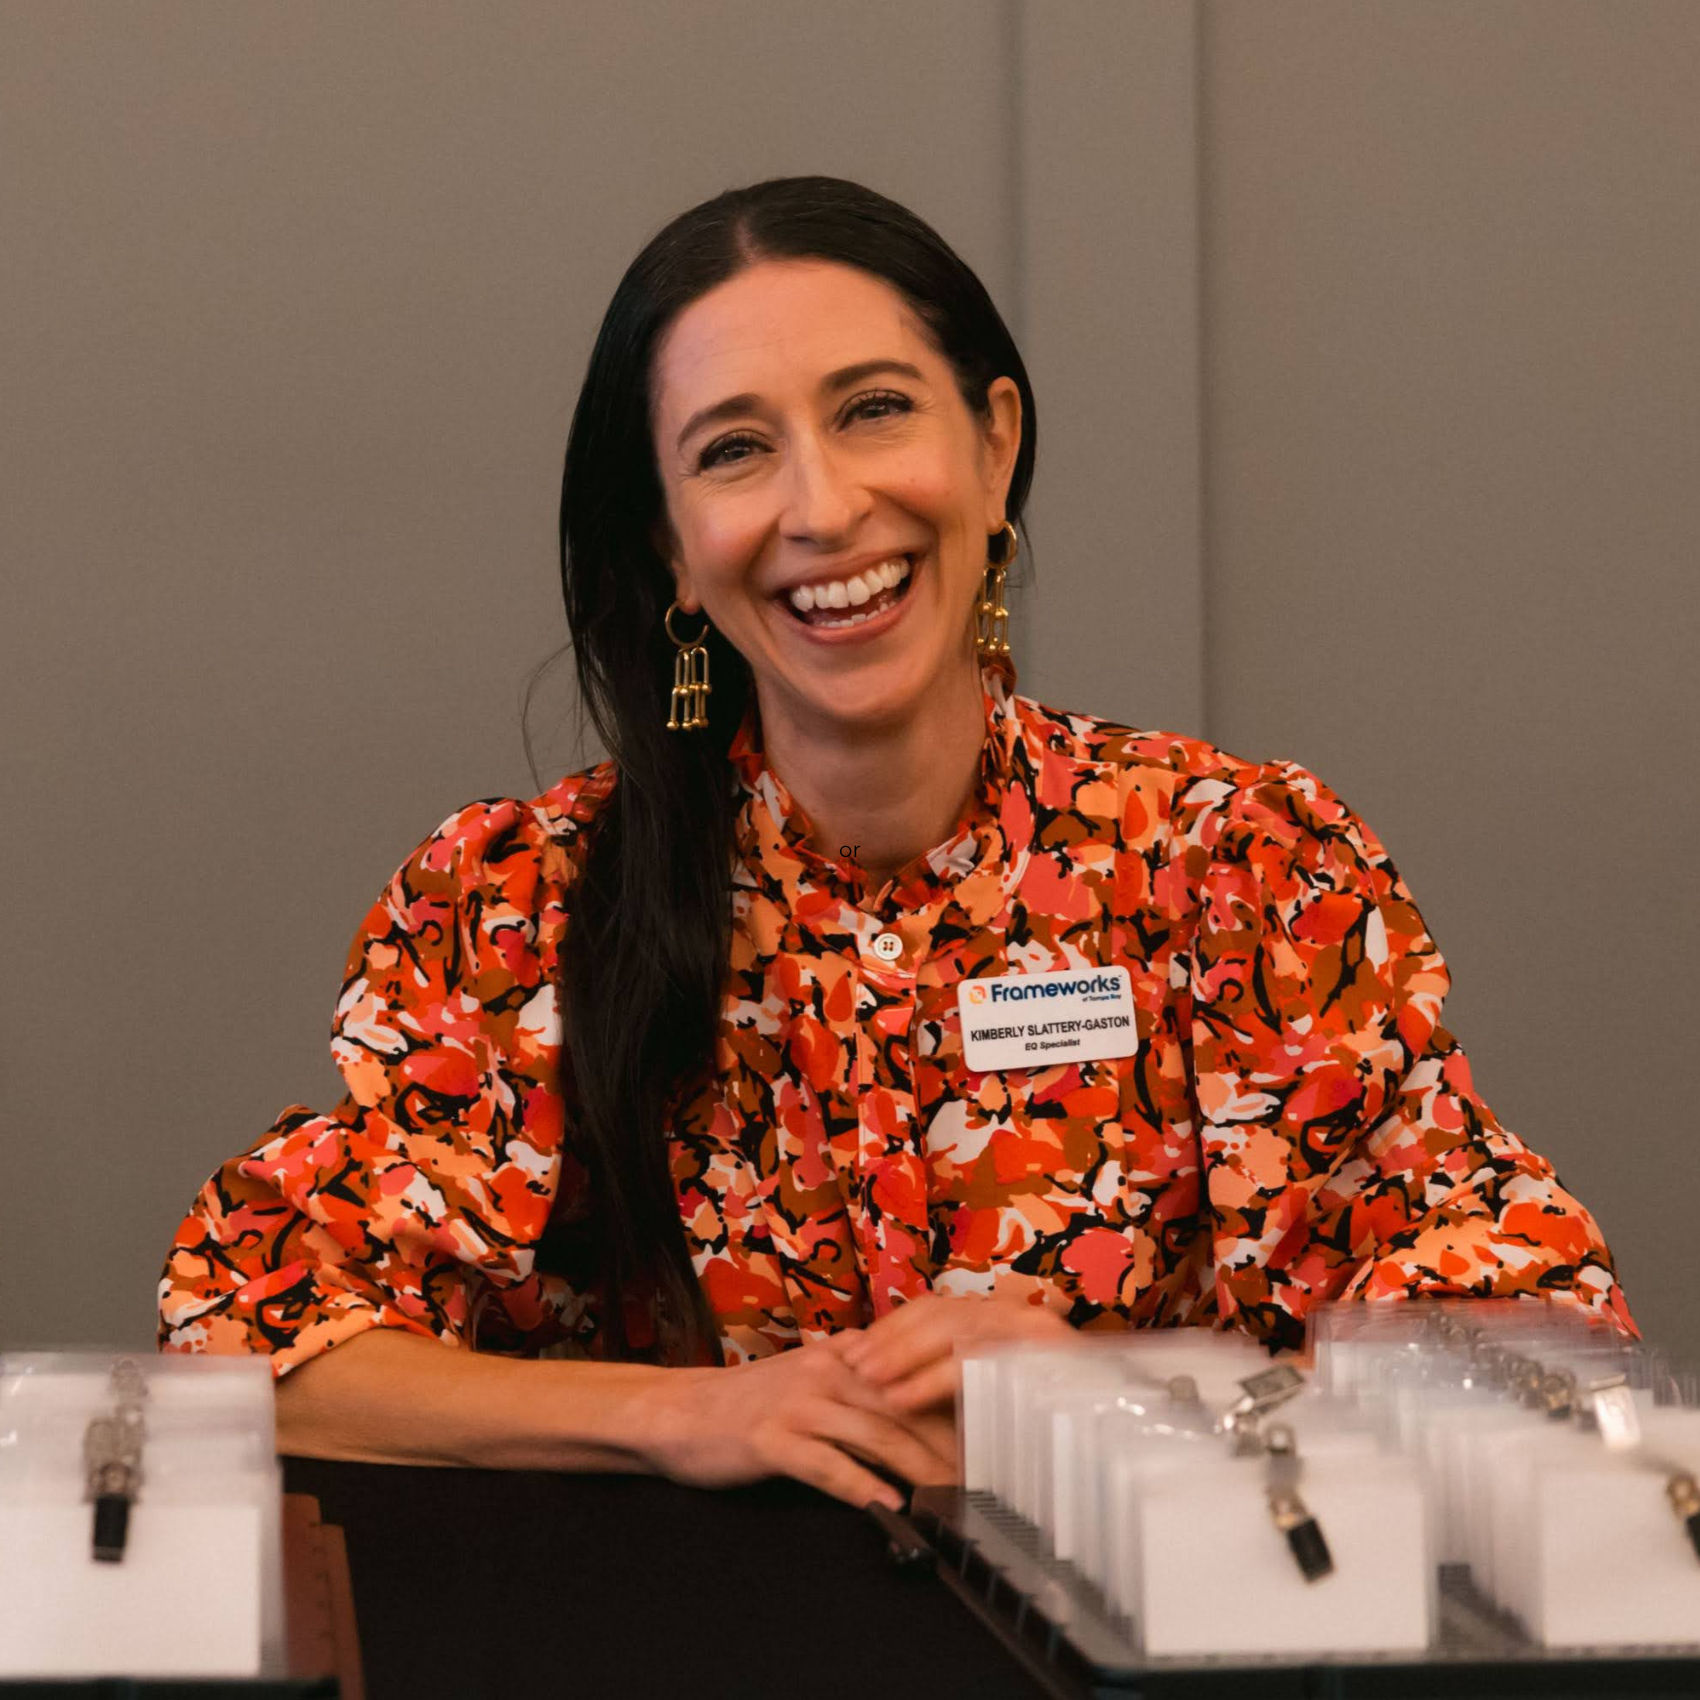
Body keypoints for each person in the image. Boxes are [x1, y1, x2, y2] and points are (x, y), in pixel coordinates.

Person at [158, 175, 1637, 1513]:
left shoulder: (1243, 867)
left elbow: (1538, 1334)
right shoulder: (520, 907)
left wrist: (1116, 1399)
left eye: (874, 410)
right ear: (670, 546)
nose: (824, 506)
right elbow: (250, 1339)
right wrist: (687, 1418)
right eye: (736, 450)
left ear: (993, 449)